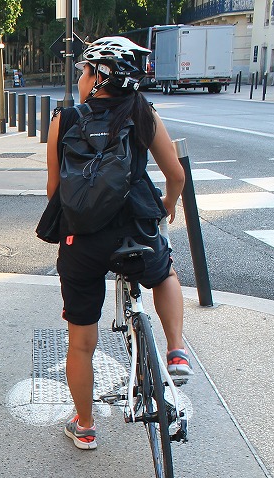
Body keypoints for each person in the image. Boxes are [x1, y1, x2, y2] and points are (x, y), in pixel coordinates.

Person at [45, 36, 192, 451]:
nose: (81, 80)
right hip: (136, 229)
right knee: (164, 272)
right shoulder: (143, 112)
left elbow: (55, 189)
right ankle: (176, 352)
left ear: (97, 77)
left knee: (80, 342)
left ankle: (86, 425)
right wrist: (167, 203)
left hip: (83, 240)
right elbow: (176, 175)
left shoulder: (66, 119)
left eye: (85, 72)